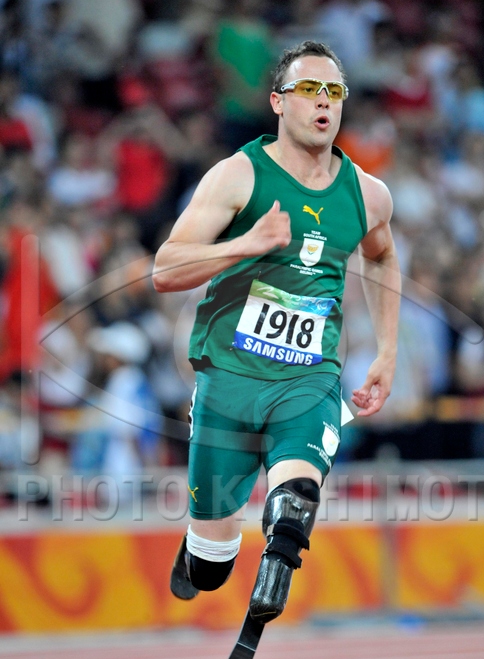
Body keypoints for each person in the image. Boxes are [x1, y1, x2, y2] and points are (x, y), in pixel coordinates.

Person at [153, 41, 401, 623]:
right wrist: (246, 244)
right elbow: (165, 270)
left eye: (334, 91)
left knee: (295, 501)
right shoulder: (238, 176)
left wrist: (387, 351)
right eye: (309, 89)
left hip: (309, 377)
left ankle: (284, 546)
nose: (324, 102)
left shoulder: (368, 194)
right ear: (278, 102)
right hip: (231, 377)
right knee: (211, 569)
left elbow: (382, 256)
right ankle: (200, 552)